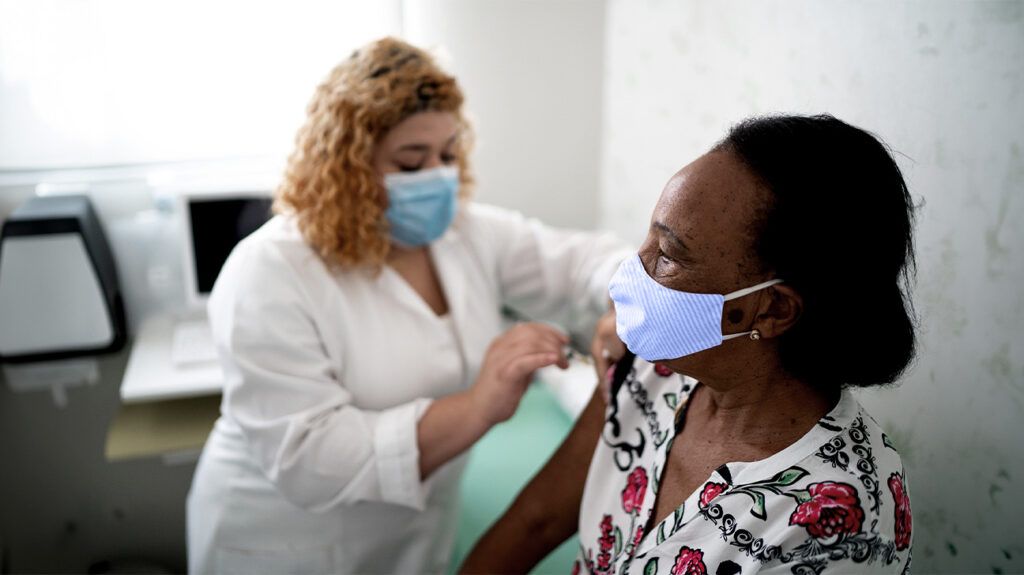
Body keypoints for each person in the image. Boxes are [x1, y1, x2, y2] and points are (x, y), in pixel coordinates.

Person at [186, 37, 630, 574]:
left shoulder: (464, 235)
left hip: (416, 533)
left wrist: (627, 307)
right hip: (288, 542)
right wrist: (478, 405)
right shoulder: (271, 270)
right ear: (346, 167)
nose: (438, 176)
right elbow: (310, 461)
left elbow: (586, 261)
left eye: (447, 155)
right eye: (411, 161)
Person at [460, 114, 917, 574]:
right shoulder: (651, 368)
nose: (632, 271)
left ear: (773, 310)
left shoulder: (842, 519)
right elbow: (535, 522)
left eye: (668, 256)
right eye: (649, 237)